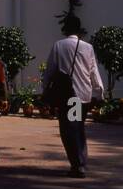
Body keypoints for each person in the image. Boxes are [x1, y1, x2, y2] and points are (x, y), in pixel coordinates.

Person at [41, 15, 104, 178]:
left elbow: (50, 71)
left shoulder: (59, 46)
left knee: (70, 131)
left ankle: (78, 164)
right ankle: (79, 163)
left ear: (65, 28)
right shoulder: (88, 47)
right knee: (77, 128)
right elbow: (93, 72)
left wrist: (45, 90)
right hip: (83, 95)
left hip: (69, 96)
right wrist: (99, 92)